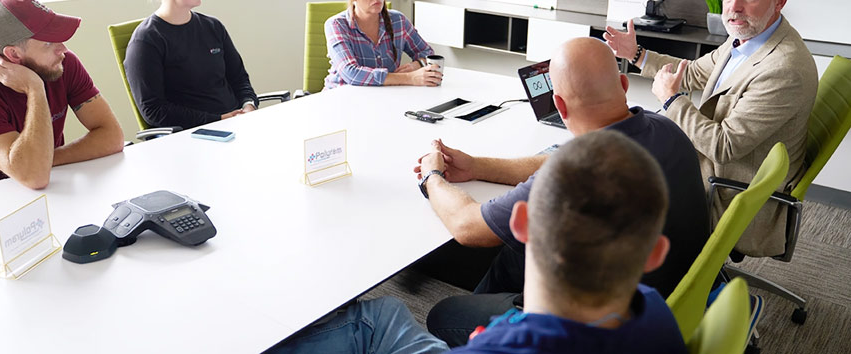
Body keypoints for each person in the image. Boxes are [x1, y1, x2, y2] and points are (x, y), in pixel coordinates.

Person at [267, 132, 687, 354]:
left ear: (520, 223)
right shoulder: (656, 312)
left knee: (379, 316)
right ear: (656, 252)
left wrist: (432, 176)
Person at [418, 37, 708, 346]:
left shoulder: (577, 175)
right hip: (668, 297)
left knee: (444, 315)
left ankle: (501, 336)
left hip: (601, 326)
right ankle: (501, 321)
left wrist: (432, 176)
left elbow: (467, 226)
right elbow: (559, 160)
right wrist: (477, 167)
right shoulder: (664, 127)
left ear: (559, 105)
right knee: (514, 254)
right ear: (624, 85)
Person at [603, 0, 817, 257]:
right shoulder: (745, 39)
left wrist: (671, 100)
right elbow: (691, 72)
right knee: (624, 149)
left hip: (729, 192)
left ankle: (640, 269)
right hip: (712, 166)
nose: (734, 7)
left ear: (780, 0)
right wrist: (637, 54)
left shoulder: (784, 68)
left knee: (619, 181)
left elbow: (723, 146)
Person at [0, 0, 124, 191]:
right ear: (14, 54)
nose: (63, 49)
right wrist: (35, 90)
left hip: (50, 185)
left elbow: (112, 136)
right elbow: (34, 177)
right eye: (48, 43)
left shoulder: (63, 64)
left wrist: (46, 160)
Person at [125, 0, 261, 129]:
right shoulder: (146, 41)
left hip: (235, 124)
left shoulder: (213, 26)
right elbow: (153, 110)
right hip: (194, 133)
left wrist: (248, 105)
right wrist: (218, 119)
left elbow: (239, 78)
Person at [323, 0, 441, 88]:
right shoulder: (336, 25)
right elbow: (351, 73)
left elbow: (427, 52)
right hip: (341, 96)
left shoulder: (398, 21)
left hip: (383, 95)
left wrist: (416, 65)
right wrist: (409, 78)